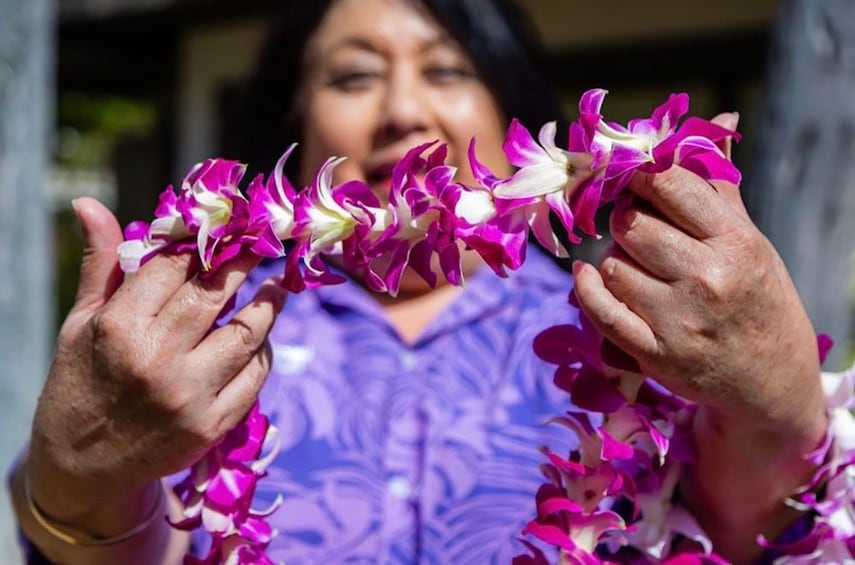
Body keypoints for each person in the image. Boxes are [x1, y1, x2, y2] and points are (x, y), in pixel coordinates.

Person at [7, 0, 830, 563]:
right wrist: (77, 472)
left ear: (512, 118)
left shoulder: (629, 331)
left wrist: (781, 400)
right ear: (295, 122)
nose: (402, 109)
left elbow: (743, 526)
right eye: (354, 76)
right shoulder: (202, 332)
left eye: (445, 71)